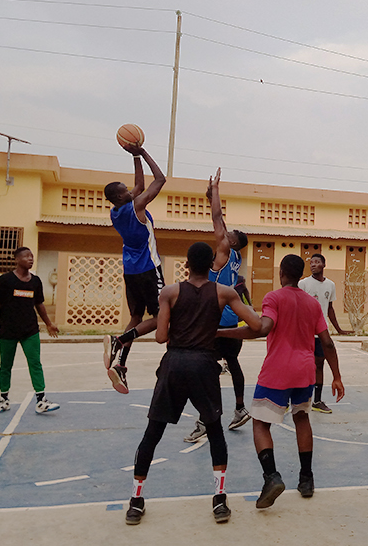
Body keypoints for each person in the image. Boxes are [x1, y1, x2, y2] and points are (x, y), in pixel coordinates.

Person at [126, 242, 265, 525]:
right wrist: (220, 332)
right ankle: (219, 500)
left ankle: (136, 501)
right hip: (204, 364)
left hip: (175, 364)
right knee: (215, 432)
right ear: (212, 264)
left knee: (153, 432)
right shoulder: (225, 292)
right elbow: (257, 325)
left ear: (186, 264)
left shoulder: (170, 292)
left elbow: (161, 336)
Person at [221, 254, 344, 510]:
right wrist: (337, 376)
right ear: (300, 274)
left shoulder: (273, 298)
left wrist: (219, 332)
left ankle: (272, 477)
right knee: (302, 419)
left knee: (260, 423)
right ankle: (306, 479)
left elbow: (263, 328)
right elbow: (327, 342)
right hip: (304, 371)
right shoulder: (311, 304)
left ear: (281, 272)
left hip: (277, 371)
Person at [189, 170, 254, 442]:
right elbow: (218, 219)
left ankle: (206, 418)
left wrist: (216, 190)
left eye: (231, 234)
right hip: (232, 321)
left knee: (204, 370)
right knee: (233, 363)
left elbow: (217, 219)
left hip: (215, 321)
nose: (227, 233)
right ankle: (239, 408)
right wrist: (209, 196)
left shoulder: (226, 250)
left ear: (233, 241)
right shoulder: (234, 256)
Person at [103, 143, 170, 394]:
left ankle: (120, 363)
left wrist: (134, 157)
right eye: (125, 190)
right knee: (160, 317)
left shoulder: (116, 212)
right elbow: (159, 179)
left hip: (130, 272)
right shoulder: (137, 207)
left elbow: (139, 186)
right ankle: (118, 340)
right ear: (121, 196)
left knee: (135, 318)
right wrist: (143, 152)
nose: (131, 190)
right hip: (148, 270)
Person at [0, 246, 60, 414]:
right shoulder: (5, 280)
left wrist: (49, 323)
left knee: (35, 363)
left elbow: (39, 304)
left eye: (32, 256)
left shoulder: (36, 281)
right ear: (17, 260)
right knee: (5, 365)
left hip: (30, 331)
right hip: (8, 331)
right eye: (26, 256)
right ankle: (4, 399)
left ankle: (41, 401)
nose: (30, 259)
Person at [298, 252, 349, 413]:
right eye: (311, 262)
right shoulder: (303, 284)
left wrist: (339, 329)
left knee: (319, 365)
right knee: (300, 365)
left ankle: (317, 401)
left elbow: (330, 309)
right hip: (304, 332)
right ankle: (291, 399)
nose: (313, 264)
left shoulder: (330, 285)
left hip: (320, 333)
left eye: (317, 262)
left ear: (323, 265)